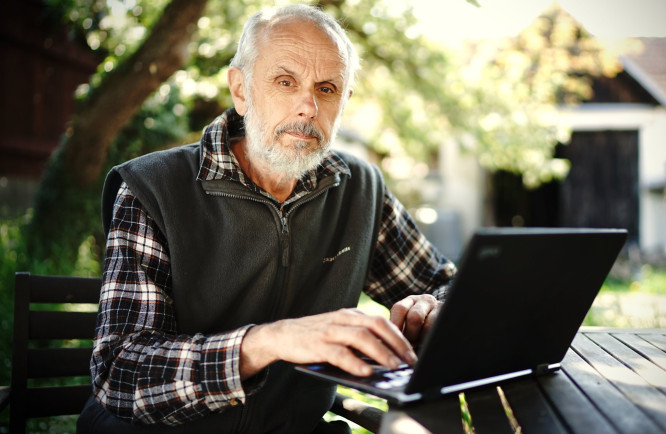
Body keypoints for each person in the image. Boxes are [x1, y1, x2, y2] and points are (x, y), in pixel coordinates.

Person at [78, 4, 455, 433]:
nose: (308, 106)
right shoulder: (152, 187)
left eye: (327, 88)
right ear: (240, 90)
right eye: (285, 81)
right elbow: (121, 373)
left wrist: (435, 307)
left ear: (344, 101)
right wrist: (269, 342)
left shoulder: (360, 188)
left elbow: (445, 285)